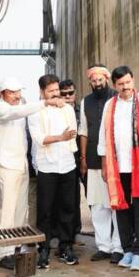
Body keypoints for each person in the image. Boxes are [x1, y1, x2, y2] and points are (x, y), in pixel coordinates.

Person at [0, 77, 64, 270]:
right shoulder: (0, 109)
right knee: (8, 212)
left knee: (20, 211)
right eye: (12, 92)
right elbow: (16, 112)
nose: (17, 96)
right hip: (5, 165)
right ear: (2, 94)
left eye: (18, 92)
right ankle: (4, 254)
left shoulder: (21, 107)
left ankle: (14, 247)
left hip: (20, 165)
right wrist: (46, 102)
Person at [98, 66, 139, 271]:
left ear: (133, 80)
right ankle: (127, 250)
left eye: (128, 82)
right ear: (114, 85)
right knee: (121, 209)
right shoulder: (110, 105)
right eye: (121, 84)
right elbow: (103, 136)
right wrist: (105, 165)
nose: (125, 87)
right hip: (117, 166)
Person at [28, 75, 80, 268]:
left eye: (57, 90)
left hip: (67, 164)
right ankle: (44, 249)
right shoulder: (35, 111)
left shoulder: (68, 109)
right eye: (51, 91)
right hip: (46, 166)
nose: (56, 94)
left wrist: (63, 138)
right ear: (42, 92)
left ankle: (66, 247)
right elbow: (40, 138)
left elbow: (72, 133)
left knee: (68, 208)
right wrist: (60, 137)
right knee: (45, 210)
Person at [78, 64, 123, 262]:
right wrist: (83, 159)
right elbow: (84, 131)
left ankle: (118, 247)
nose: (97, 84)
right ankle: (104, 247)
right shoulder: (85, 102)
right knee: (97, 205)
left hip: (115, 160)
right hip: (93, 160)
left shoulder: (117, 98)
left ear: (106, 79)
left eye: (100, 80)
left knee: (115, 204)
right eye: (93, 80)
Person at [60, 79, 85, 235]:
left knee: (91, 196)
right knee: (70, 198)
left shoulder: (82, 110)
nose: (68, 96)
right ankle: (72, 231)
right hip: (65, 160)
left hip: (82, 158)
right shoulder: (57, 112)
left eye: (71, 93)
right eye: (64, 94)